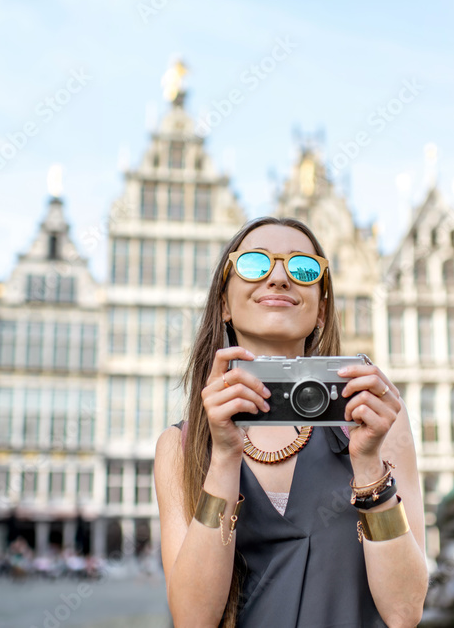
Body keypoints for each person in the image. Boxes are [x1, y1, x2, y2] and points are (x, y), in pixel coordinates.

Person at [155, 217, 427, 627]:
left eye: (302, 268)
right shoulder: (181, 447)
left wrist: (370, 465)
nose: (279, 278)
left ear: (321, 309)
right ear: (224, 304)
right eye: (253, 264)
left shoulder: (375, 417)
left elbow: (405, 612)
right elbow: (193, 619)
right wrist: (225, 456)